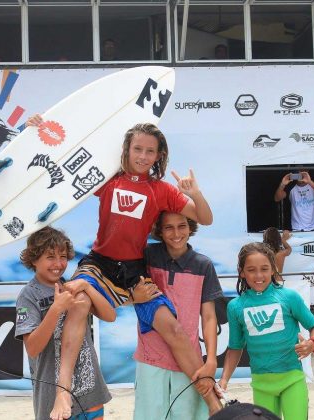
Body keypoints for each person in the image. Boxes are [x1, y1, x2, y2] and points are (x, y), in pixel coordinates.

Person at [25, 116, 221, 419]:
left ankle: (212, 402)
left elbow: (205, 218)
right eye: (137, 149)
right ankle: (63, 392)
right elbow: (65, 163)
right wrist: (41, 129)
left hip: (133, 270)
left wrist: (193, 192)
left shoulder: (162, 190)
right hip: (98, 263)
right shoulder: (108, 178)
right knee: (78, 302)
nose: (143, 156)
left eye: (150, 151)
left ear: (159, 155)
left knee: (174, 330)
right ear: (126, 150)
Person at [14, 227, 115, 420]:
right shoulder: (29, 295)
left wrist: (86, 287)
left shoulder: (72, 286)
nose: (58, 264)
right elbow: (33, 348)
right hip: (52, 397)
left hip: (89, 391)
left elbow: (110, 316)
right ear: (34, 259)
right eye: (50, 257)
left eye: (63, 256)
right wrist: (55, 309)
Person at [218, 243, 314, 420]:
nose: (258, 275)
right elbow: (235, 348)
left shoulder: (289, 297)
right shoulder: (235, 307)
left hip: (293, 378)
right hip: (261, 384)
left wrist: (312, 343)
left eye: (264, 269)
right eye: (251, 270)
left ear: (273, 269)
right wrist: (224, 379)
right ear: (242, 271)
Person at [133, 212, 223, 420]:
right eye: (168, 227)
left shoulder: (204, 265)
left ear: (191, 227)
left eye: (182, 226)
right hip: (151, 358)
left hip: (190, 361)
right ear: (159, 231)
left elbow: (209, 317)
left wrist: (211, 360)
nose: (176, 233)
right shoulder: (146, 255)